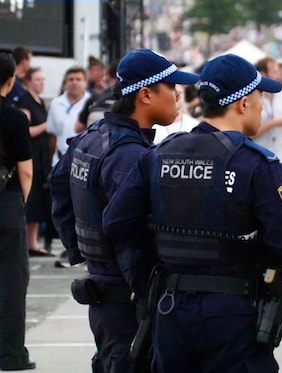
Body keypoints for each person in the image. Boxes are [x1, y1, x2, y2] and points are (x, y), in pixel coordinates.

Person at [102, 54, 282, 373]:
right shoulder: (256, 164)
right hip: (233, 313)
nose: (262, 107)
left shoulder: (159, 155)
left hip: (171, 308)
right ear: (243, 103)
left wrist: (155, 272)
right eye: (260, 97)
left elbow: (116, 223)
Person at [48, 49, 200, 373]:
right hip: (127, 300)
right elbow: (128, 231)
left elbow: (58, 189)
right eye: (171, 87)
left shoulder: (92, 138)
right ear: (145, 94)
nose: (178, 96)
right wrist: (147, 290)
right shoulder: (129, 154)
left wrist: (82, 252)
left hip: (105, 291)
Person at [0, 54, 35, 371]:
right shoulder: (14, 118)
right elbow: (25, 171)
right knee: (11, 281)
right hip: (6, 204)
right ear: (11, 81)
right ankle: (11, 355)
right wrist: (19, 203)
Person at [15, 68, 52, 257]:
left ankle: (33, 241)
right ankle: (28, 242)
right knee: (32, 196)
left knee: (39, 198)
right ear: (28, 81)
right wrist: (47, 125)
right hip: (32, 153)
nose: (41, 83)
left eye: (43, 79)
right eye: (37, 79)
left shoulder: (41, 102)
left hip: (43, 155)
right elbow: (25, 130)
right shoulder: (25, 102)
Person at [253, 57, 282, 183]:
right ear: (263, 73)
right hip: (260, 156)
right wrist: (273, 124)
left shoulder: (280, 96)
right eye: (274, 71)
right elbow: (250, 134)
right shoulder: (254, 98)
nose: (278, 76)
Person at [47, 67, 90, 164]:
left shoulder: (92, 103)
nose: (74, 83)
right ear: (65, 82)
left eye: (78, 79)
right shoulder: (56, 103)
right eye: (71, 79)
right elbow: (52, 134)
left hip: (83, 161)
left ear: (85, 83)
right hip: (59, 160)